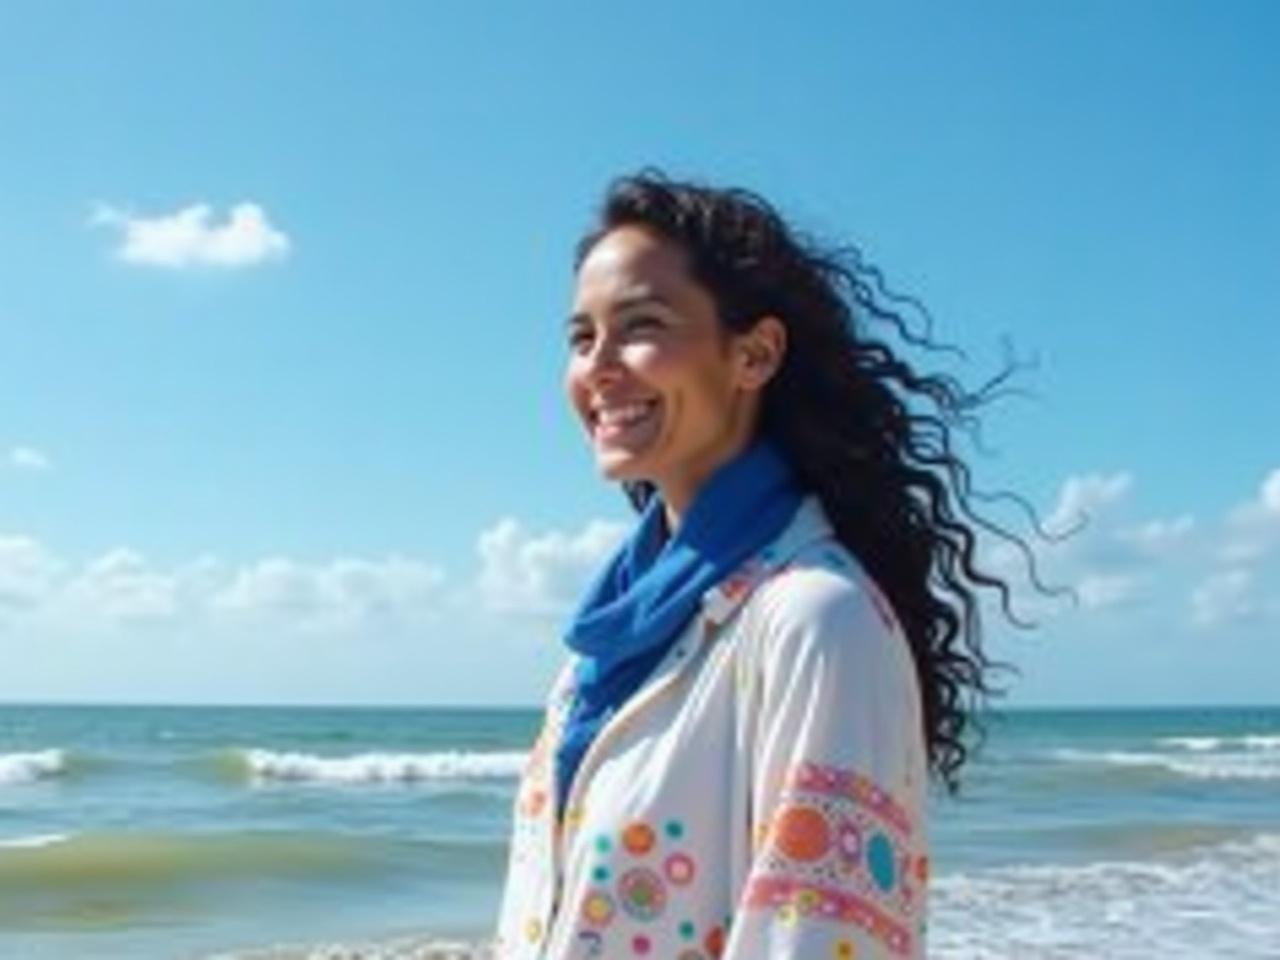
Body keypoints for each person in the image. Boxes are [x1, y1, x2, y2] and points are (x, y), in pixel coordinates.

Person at [495, 171, 1019, 959]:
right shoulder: (600, 647)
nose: (598, 366)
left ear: (755, 353)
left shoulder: (817, 619)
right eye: (580, 337)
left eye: (640, 326)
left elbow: (824, 938)